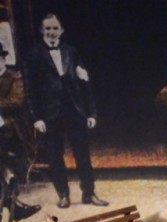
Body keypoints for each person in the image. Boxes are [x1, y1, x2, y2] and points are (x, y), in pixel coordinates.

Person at [23, 13, 108, 208]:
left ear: (61, 31)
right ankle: (63, 194)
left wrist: (91, 112)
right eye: (48, 28)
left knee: (83, 154)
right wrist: (36, 117)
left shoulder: (71, 52)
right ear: (41, 30)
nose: (52, 32)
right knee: (55, 156)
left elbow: (84, 83)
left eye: (55, 28)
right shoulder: (34, 55)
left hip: (74, 110)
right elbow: (30, 90)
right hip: (50, 113)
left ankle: (89, 193)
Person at [0, 42, 40, 221]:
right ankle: (10, 198)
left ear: (3, 59)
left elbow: (16, 102)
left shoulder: (14, 77)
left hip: (11, 129)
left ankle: (9, 194)